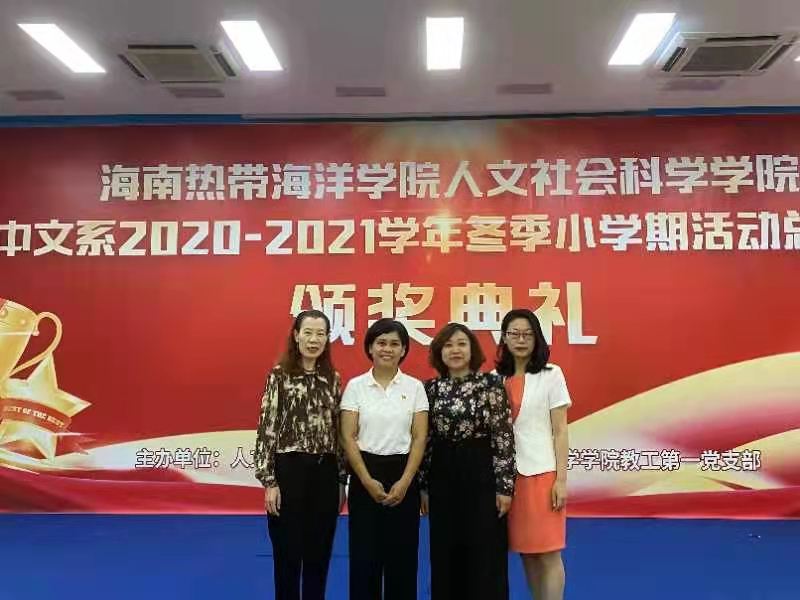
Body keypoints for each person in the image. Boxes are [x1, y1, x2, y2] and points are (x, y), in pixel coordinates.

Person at [254, 310, 347, 600]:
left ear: (327, 339)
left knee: (319, 553)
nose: (313, 339)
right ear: (296, 336)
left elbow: (338, 432)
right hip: (289, 471)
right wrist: (270, 481)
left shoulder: (332, 379)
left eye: (320, 334)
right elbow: (267, 427)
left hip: (325, 473)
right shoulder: (279, 376)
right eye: (308, 332)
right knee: (287, 554)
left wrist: (341, 479)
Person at [419, 322, 515, 600]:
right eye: (448, 345)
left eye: (461, 344)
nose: (455, 350)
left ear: (472, 349)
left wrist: (505, 486)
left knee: (485, 548)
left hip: (481, 472)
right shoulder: (430, 389)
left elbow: (503, 436)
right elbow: (426, 440)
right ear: (439, 352)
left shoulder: (491, 385)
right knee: (445, 548)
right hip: (442, 474)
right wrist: (423, 486)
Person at [340, 318, 429, 600]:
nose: (387, 349)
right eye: (381, 343)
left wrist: (406, 481)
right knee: (364, 558)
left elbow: (419, 438)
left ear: (404, 349)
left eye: (394, 344)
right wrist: (366, 480)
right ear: (370, 347)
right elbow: (348, 437)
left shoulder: (414, 387)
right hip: (365, 473)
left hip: (404, 474)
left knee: (402, 559)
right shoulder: (356, 386)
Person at [496, 309, 572, 600]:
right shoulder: (494, 378)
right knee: (527, 552)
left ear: (537, 338)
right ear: (504, 338)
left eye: (527, 334)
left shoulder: (551, 375)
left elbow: (560, 431)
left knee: (549, 552)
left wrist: (561, 480)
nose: (520, 340)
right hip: (509, 479)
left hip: (543, 474)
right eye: (514, 334)